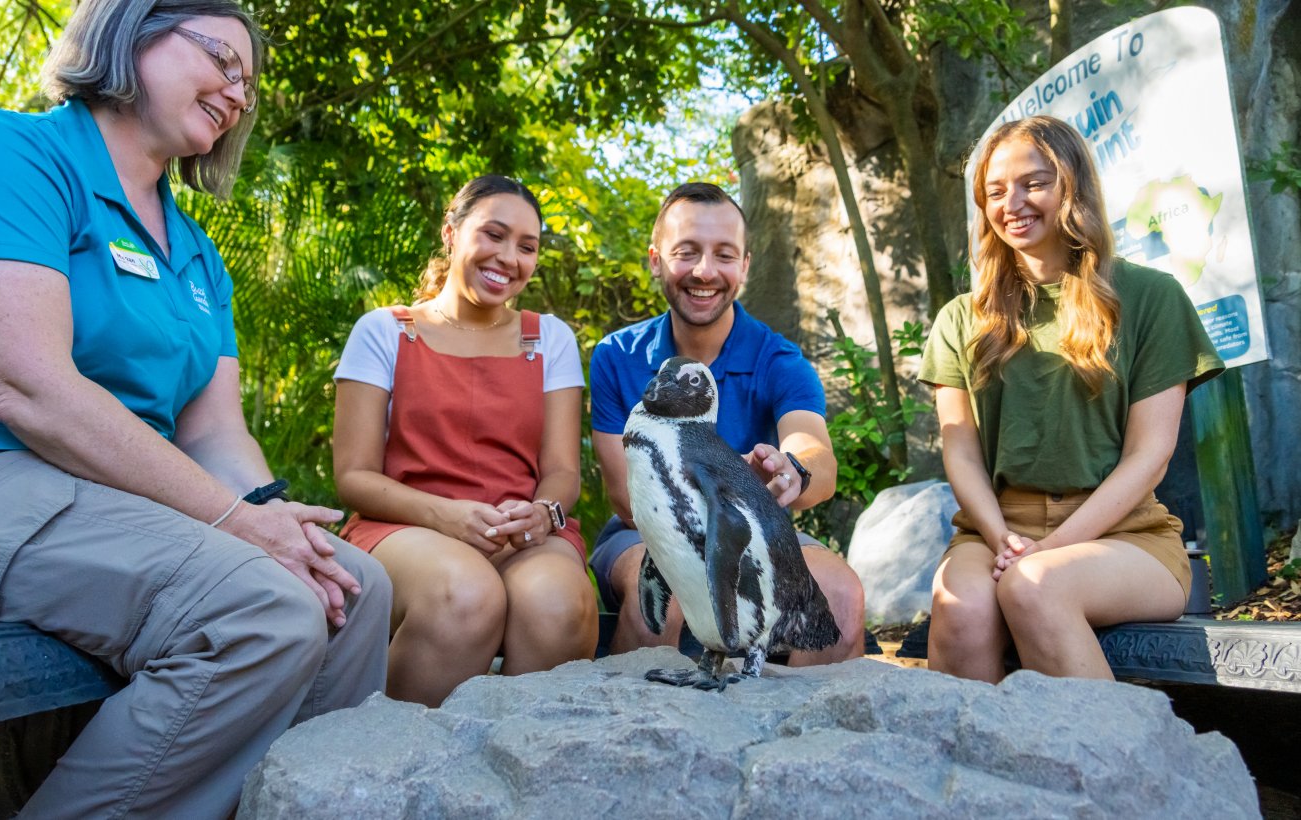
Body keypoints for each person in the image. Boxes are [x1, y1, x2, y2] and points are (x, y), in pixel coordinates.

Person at [0, 1, 390, 817]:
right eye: (222, 60)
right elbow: (24, 385)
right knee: (266, 614)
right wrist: (235, 523)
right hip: (9, 475)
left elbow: (215, 434)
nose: (239, 94)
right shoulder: (15, 152)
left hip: (133, 501)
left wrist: (277, 522)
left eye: (249, 85)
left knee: (352, 586)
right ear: (130, 34)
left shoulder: (199, 255)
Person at [919, 115, 1224, 682]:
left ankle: (1118, 744)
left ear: (1072, 186)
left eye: (1033, 183)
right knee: (961, 610)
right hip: (995, 531)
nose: (1012, 203)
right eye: (995, 191)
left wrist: (1054, 547)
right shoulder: (960, 319)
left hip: (1125, 534)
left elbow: (1150, 454)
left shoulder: (1151, 297)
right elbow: (960, 453)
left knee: (1035, 586)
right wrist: (1002, 539)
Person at [333, 175, 597, 707]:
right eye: (493, 235)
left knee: (558, 605)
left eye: (527, 247)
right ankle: (390, 747)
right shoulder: (385, 331)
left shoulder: (549, 338)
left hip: (521, 535)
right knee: (466, 595)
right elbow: (353, 477)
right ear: (450, 232)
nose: (509, 258)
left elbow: (563, 472)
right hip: (405, 528)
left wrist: (543, 512)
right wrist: (445, 516)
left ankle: (524, 752)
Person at [589, 181, 867, 663]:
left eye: (724, 254)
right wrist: (728, 480)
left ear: (745, 266)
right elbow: (624, 496)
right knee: (666, 601)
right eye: (686, 252)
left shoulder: (778, 359)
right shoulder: (618, 355)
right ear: (655, 260)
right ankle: (630, 712)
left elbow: (816, 458)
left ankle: (813, 715)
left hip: (751, 528)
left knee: (838, 595)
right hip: (648, 530)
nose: (705, 271)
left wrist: (791, 470)